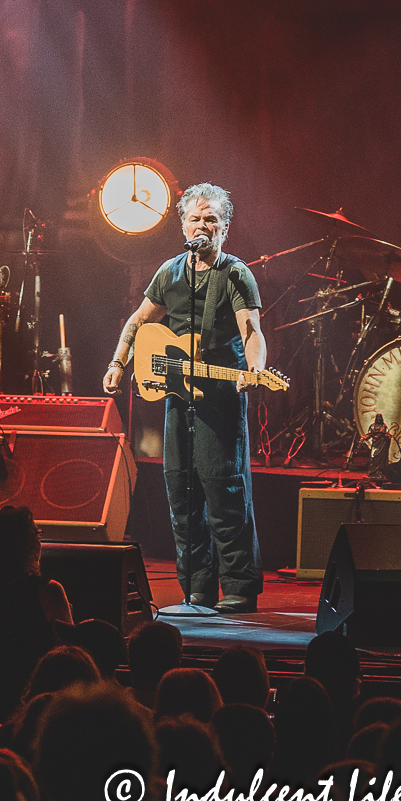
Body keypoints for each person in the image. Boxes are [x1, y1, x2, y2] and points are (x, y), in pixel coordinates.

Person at [103, 182, 265, 614]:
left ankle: (239, 586)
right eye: (195, 218)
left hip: (220, 392)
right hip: (179, 394)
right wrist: (118, 363)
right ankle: (197, 586)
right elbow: (140, 321)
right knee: (182, 490)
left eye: (211, 219)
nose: (202, 225)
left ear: (225, 227)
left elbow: (252, 330)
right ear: (183, 226)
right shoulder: (170, 272)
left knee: (224, 488)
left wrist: (254, 369)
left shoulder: (235, 274)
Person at [0, 505, 73, 721]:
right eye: (36, 535)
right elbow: (69, 657)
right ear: (28, 545)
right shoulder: (48, 591)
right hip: (39, 709)